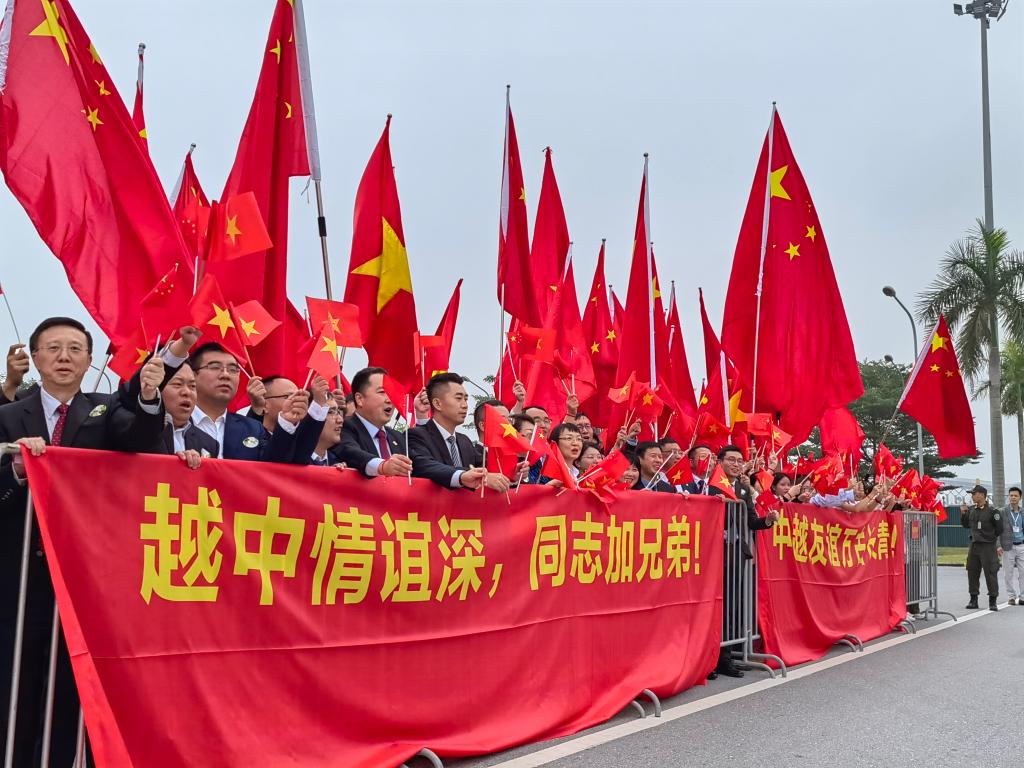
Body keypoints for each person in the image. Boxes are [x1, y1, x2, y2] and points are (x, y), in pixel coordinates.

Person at [0, 317, 168, 766]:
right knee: (16, 679)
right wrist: (18, 469)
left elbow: (141, 439)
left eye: (75, 349)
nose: (64, 357)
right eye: (53, 348)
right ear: (36, 357)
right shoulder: (7, 416)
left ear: (90, 360)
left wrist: (149, 395)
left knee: (69, 682)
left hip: (85, 574)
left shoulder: (106, 409)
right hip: (19, 572)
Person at [710, 444, 779, 678]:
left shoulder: (742, 488)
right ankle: (714, 657)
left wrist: (767, 520)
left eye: (740, 461)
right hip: (713, 553)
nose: (736, 464)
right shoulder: (710, 485)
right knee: (717, 606)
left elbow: (751, 521)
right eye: (731, 460)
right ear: (719, 461)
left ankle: (728, 655)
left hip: (736, 553)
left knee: (734, 604)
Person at [187, 343, 315, 462]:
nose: (225, 375)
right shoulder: (178, 422)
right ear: (192, 375)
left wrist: (287, 421)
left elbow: (274, 467)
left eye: (233, 369)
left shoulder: (252, 428)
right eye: (215, 367)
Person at [408, 372, 503, 491]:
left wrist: (514, 473)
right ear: (437, 403)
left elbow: (487, 468)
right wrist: (462, 476)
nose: (465, 405)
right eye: (458, 398)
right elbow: (426, 466)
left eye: (466, 399)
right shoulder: (416, 436)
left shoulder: (465, 441)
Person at [336, 366, 413, 478]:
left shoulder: (397, 437)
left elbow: (420, 463)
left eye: (390, 392)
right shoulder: (344, 427)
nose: (389, 399)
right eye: (382, 392)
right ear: (359, 399)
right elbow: (351, 453)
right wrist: (382, 466)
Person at [160, 362, 219, 466]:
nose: (187, 392)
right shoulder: (141, 432)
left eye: (192, 386)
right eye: (177, 384)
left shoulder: (209, 443)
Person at [960, 484, 1003, 611]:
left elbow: (999, 528)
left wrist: (990, 538)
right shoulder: (972, 510)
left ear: (982, 495)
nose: (972, 496)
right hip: (974, 545)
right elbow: (966, 525)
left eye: (974, 494)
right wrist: (963, 513)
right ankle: (973, 599)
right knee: (972, 571)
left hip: (988, 546)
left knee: (991, 573)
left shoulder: (993, 511)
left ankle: (992, 601)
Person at [999, 486, 1024, 605]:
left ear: (1020, 498)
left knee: (1023, 572)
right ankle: (1011, 596)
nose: (1013, 497)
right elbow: (997, 530)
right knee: (1008, 573)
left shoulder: (1022, 512)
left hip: (1021, 546)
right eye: (1011, 495)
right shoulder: (1002, 512)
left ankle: (1023, 596)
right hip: (1007, 546)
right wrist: (998, 545)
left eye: (1015, 496)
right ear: (1008, 497)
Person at [311, 397, 344, 467]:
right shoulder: (293, 459)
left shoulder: (338, 461)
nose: (340, 420)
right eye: (331, 412)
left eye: (338, 412)